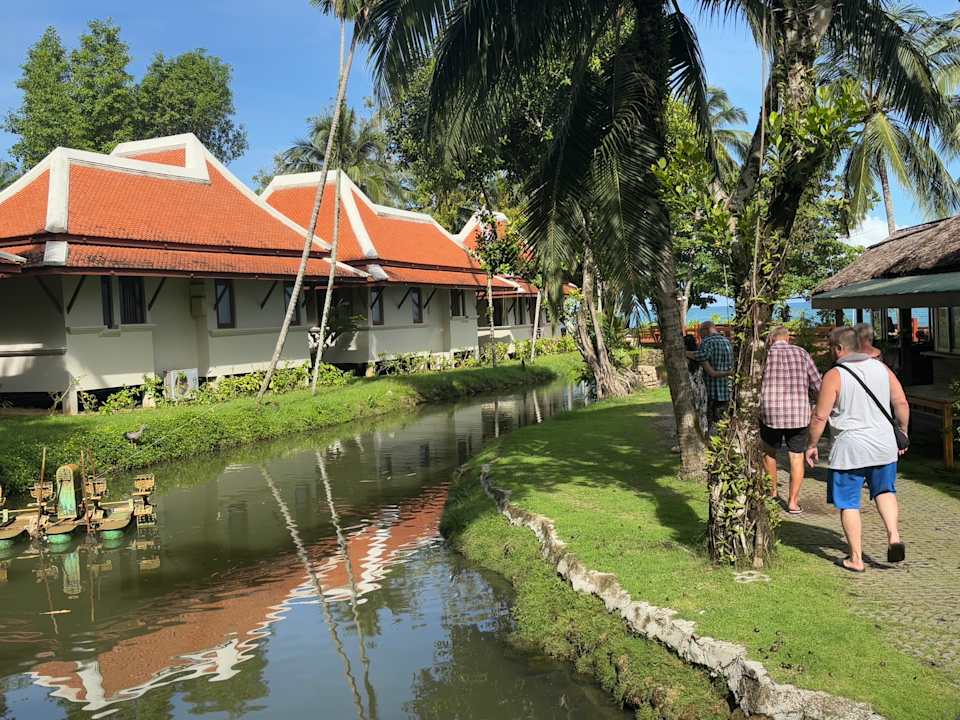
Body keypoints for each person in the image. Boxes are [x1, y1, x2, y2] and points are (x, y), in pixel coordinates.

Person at [805, 326, 909, 573]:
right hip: (883, 444)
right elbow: (901, 402)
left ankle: (855, 558)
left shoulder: (835, 374)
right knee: (885, 490)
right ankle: (893, 535)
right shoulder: (881, 368)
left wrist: (811, 444)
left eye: (832, 347)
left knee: (849, 502)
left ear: (839, 348)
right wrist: (903, 432)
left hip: (849, 448)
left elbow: (820, 416)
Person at [760, 326, 821, 514]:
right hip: (798, 414)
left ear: (771, 340)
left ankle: (772, 493)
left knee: (769, 452)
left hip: (770, 413)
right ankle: (793, 502)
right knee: (796, 456)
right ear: (788, 338)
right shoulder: (802, 354)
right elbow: (818, 384)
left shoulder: (764, 355)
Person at [688, 321, 734, 434]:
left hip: (712, 389)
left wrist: (683, 352)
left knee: (708, 420)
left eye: (700, 332)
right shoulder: (726, 341)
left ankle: (708, 442)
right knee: (722, 422)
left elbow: (701, 356)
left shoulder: (707, 341)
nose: (700, 336)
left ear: (706, 329)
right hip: (726, 389)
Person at [684, 333, 709, 434]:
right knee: (702, 413)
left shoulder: (683, 357)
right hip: (700, 387)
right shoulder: (699, 355)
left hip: (690, 387)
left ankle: (692, 437)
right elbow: (710, 371)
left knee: (689, 414)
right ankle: (703, 434)